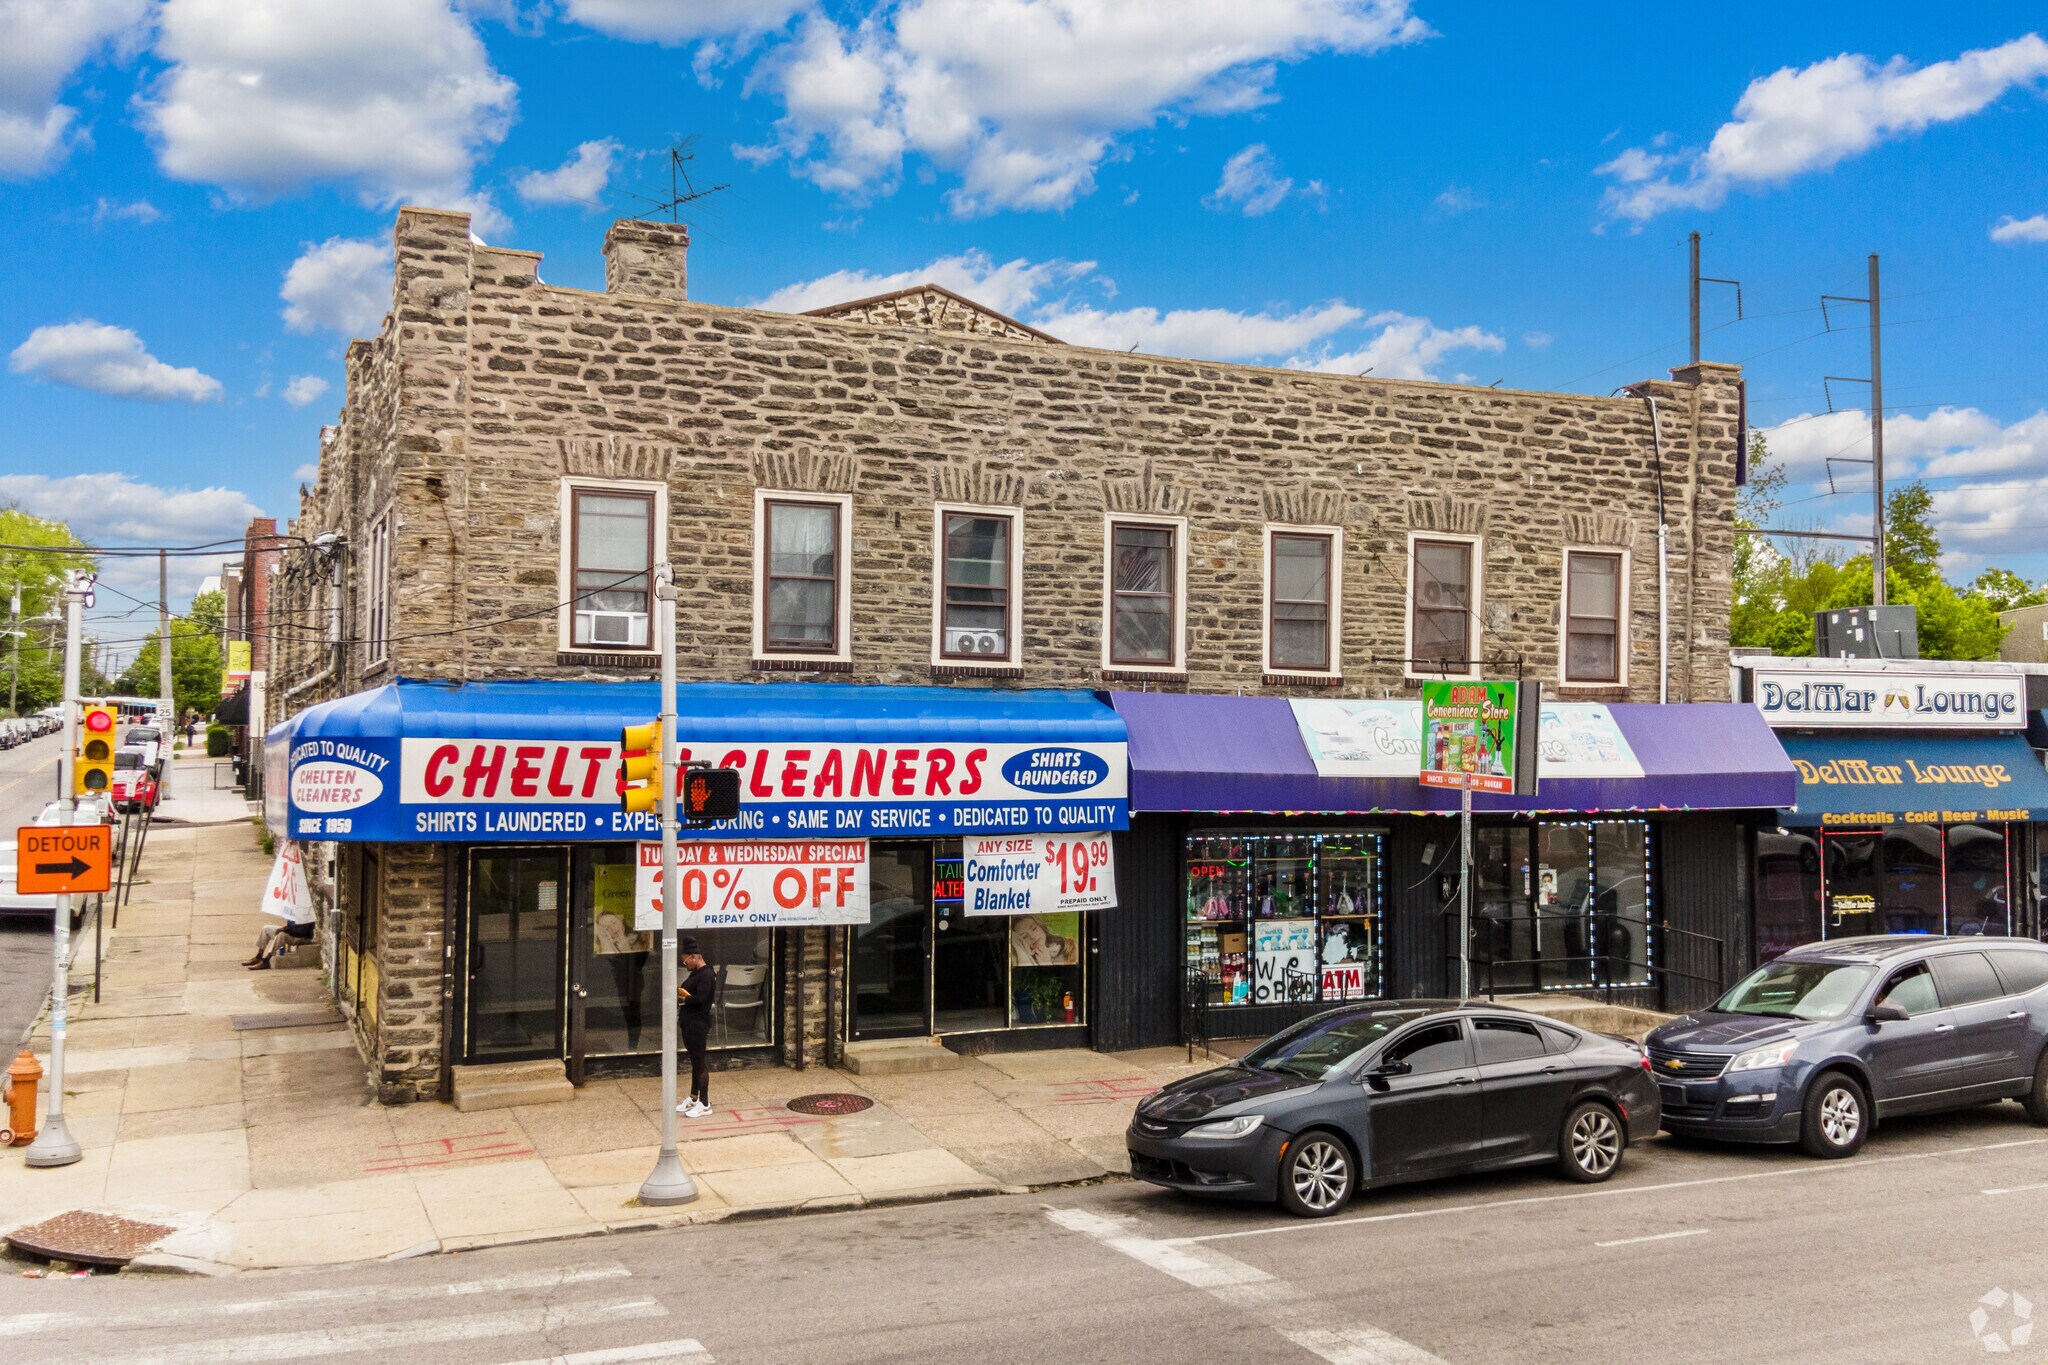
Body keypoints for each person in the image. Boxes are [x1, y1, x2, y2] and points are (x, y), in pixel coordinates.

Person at [676, 936, 717, 1117]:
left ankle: (705, 1103)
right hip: (689, 1023)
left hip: (697, 1024)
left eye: (686, 960)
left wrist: (684, 998)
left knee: (700, 1063)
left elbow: (701, 999)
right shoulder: (697, 974)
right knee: (695, 1062)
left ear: (694, 957)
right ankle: (694, 1097)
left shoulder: (707, 974)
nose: (685, 964)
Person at [243, 918, 314, 969]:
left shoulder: (307, 915)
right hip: (292, 932)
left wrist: (285, 929)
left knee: (281, 935)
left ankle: (266, 961)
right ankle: (259, 957)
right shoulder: (295, 909)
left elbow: (301, 932)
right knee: (266, 928)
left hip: (303, 938)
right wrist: (285, 928)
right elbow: (290, 926)